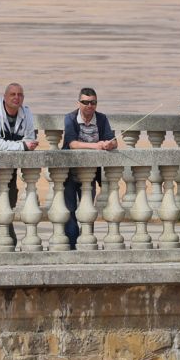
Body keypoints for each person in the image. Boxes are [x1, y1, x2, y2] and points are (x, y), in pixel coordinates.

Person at [0, 82, 38, 249]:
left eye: (20, 95)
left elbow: (30, 137)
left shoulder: (26, 113)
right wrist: (21, 146)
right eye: (13, 94)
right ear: (5, 97)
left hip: (9, 172)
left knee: (7, 206)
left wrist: (25, 144)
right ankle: (3, 243)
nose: (16, 98)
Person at [62, 87, 117, 250]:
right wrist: (95, 146)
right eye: (85, 102)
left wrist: (109, 144)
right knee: (70, 211)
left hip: (90, 174)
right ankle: (72, 245)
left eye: (93, 102)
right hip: (70, 173)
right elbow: (72, 144)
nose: (89, 106)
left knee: (88, 209)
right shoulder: (70, 118)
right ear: (78, 103)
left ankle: (86, 242)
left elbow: (113, 140)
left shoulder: (101, 119)